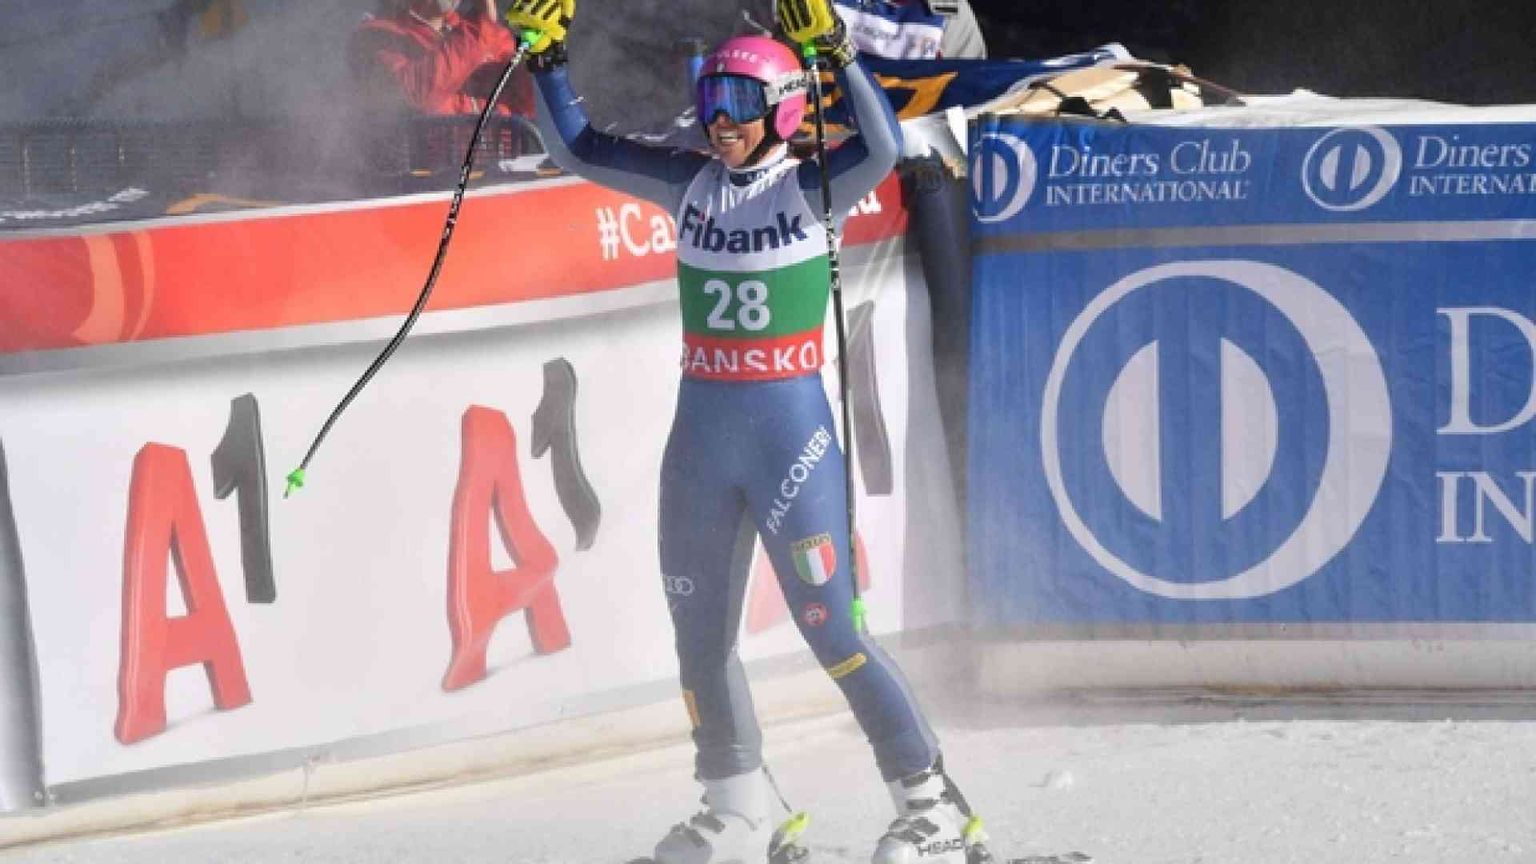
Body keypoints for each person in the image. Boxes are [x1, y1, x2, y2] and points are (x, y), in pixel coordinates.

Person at [504, 0, 992, 861]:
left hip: (789, 442)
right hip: (701, 442)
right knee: (699, 640)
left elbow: (881, 146)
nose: (718, 120)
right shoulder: (687, 183)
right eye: (711, 99)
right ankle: (737, 804)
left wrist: (834, 51)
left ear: (784, 110)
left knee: (833, 633)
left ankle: (932, 802)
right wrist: (543, 54)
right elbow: (576, 146)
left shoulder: (811, 184)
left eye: (738, 101)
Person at [348, 0, 532, 118]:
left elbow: (532, 107)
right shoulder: (374, 37)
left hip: (509, 170)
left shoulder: (486, 32)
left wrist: (542, 52)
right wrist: (481, 26)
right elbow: (419, 94)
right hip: (432, 173)